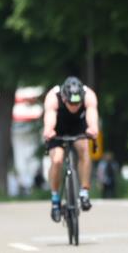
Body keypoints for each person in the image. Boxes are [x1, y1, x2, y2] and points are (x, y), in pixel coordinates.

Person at [42, 76, 99, 222]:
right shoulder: (53, 97)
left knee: (84, 148)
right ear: (64, 98)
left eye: (77, 103)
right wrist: (49, 130)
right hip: (58, 128)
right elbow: (49, 117)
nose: (74, 106)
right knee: (57, 159)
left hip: (78, 126)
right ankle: (55, 200)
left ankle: (84, 192)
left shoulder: (89, 95)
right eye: (71, 103)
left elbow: (92, 115)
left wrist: (93, 128)